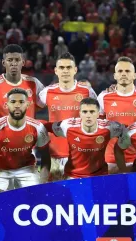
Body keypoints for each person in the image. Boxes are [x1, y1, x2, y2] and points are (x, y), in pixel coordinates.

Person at [0, 88, 51, 196]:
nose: (17, 105)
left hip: (27, 170)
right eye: (13, 102)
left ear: (28, 104)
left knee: (37, 198)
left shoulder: (38, 128)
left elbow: (46, 157)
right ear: (6, 105)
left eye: (21, 102)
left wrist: (43, 183)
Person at [36, 52, 98, 181]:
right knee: (53, 197)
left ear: (75, 70)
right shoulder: (47, 92)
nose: (65, 71)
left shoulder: (86, 91)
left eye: (69, 68)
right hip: (54, 156)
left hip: (80, 155)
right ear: (56, 71)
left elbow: (100, 116)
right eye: (62, 68)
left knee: (79, 197)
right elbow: (31, 110)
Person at [46, 97, 124, 179]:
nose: (88, 116)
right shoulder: (68, 126)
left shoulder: (109, 127)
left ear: (98, 114)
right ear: (79, 113)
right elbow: (46, 127)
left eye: (92, 112)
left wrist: (120, 149)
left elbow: (128, 131)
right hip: (73, 176)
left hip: (100, 175)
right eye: (85, 112)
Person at [97, 56, 136, 174]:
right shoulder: (103, 97)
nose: (123, 74)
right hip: (110, 158)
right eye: (120, 71)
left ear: (134, 75)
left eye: (127, 71)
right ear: (115, 75)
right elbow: (98, 129)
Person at [0, 44, 44, 129]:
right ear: (4, 63)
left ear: (23, 62)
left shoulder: (34, 83)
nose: (13, 63)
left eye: (17, 60)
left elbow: (47, 102)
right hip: (2, 139)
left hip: (29, 138)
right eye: (10, 60)